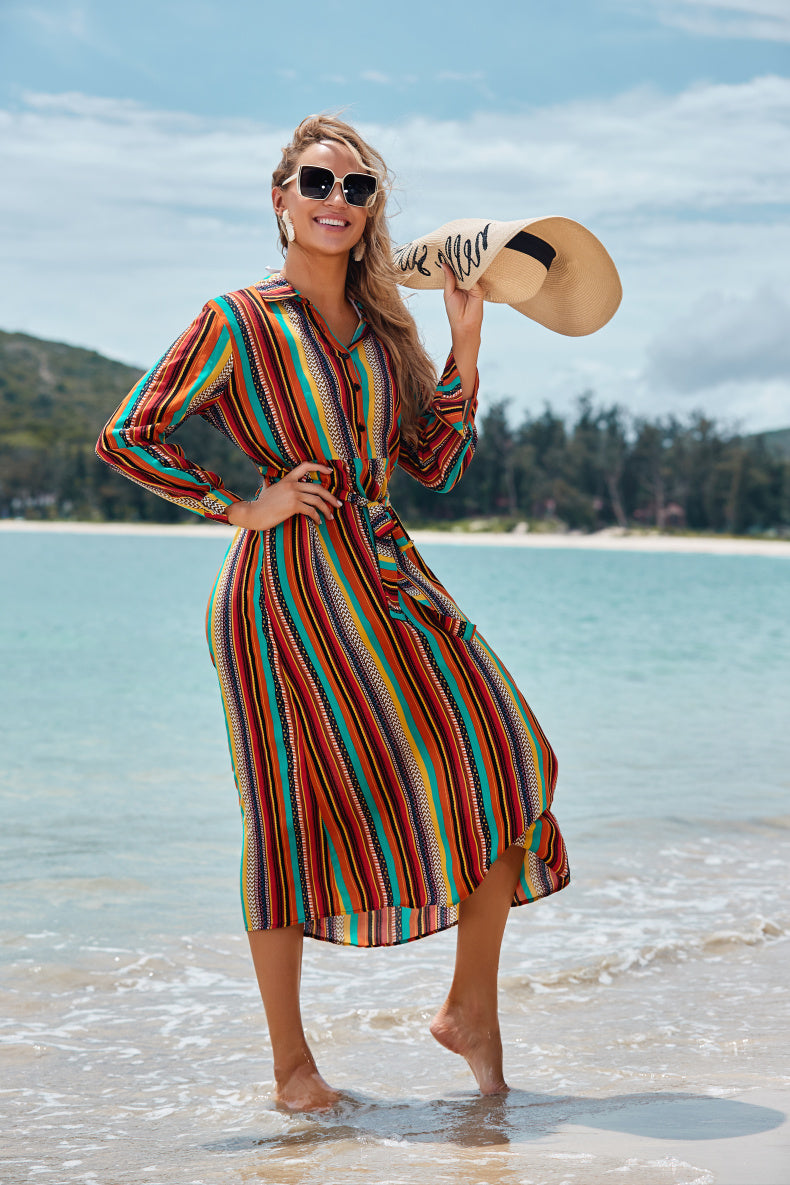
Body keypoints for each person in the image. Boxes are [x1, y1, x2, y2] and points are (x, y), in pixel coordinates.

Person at [96, 114, 569, 1113]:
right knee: (284, 812)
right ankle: (292, 1074)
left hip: (386, 575)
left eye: (357, 191)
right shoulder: (237, 319)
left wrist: (463, 345)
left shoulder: (382, 327)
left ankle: (467, 1009)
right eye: (318, 183)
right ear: (280, 196)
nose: (337, 203)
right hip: (282, 593)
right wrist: (240, 503)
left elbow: (431, 464)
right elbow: (130, 434)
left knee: (507, 758)